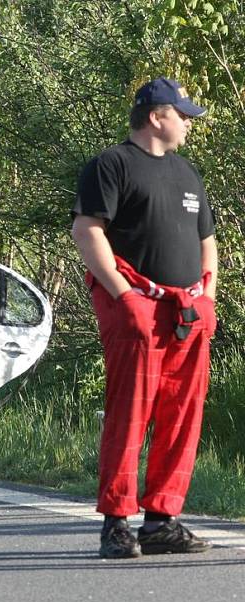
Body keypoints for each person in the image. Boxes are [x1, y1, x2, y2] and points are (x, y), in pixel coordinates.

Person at [71, 77, 218, 558]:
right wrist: (123, 296)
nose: (189, 125)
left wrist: (209, 298)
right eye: (183, 115)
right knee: (130, 414)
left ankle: (161, 520)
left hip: (188, 311)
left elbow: (206, 242)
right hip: (136, 307)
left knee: (182, 416)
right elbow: (88, 230)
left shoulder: (187, 173)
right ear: (157, 116)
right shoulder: (110, 165)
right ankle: (117, 523)